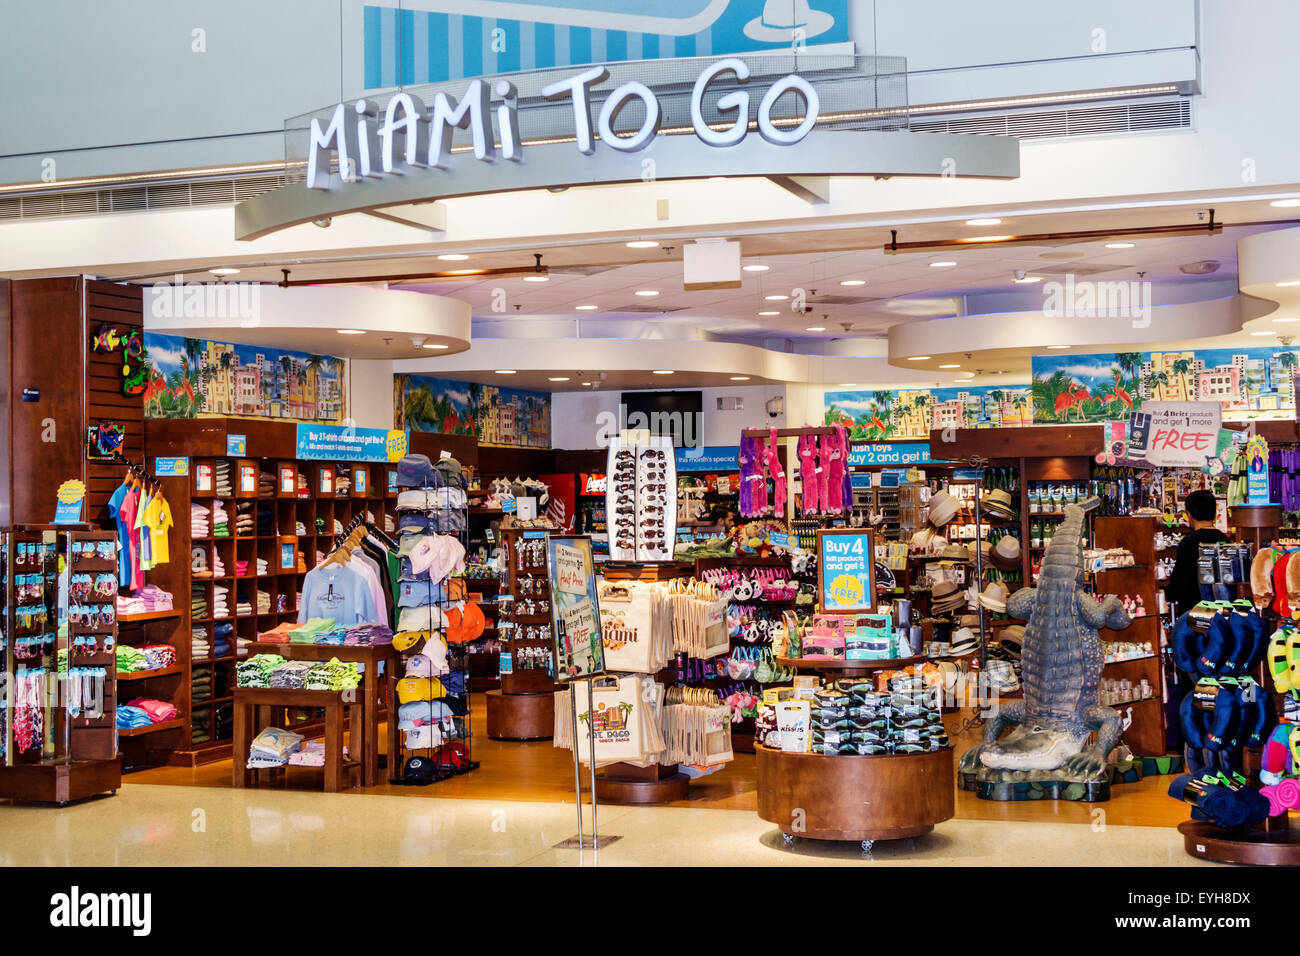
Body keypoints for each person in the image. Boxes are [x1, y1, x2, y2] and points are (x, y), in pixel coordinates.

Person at [1166, 489, 1229, 617]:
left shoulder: (1188, 543)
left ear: (1189, 515)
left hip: (1194, 613)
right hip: (1223, 613)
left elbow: (1179, 583)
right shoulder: (1225, 540)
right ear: (1214, 513)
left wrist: (1167, 593)